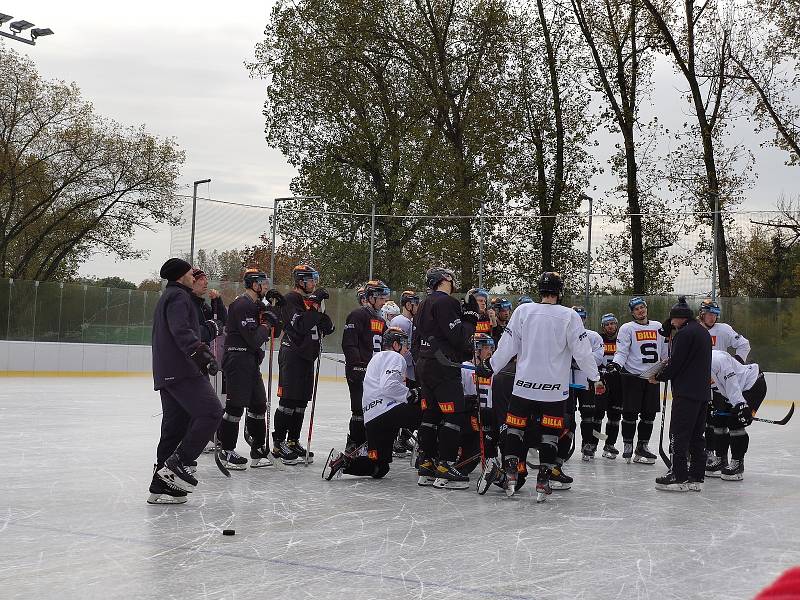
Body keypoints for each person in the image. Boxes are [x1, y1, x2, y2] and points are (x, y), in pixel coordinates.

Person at [477, 272, 604, 502]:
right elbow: (583, 353)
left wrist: (491, 365)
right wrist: (595, 377)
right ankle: (543, 480)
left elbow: (508, 345)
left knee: (515, 429)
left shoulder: (523, 311)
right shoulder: (570, 316)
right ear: (560, 292)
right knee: (549, 434)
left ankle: (512, 474)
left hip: (523, 386)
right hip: (554, 390)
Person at [148, 258, 223, 504]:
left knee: (175, 426)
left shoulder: (169, 296)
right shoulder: (179, 298)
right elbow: (181, 331)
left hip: (167, 371)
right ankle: (178, 463)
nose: (195, 276)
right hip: (182, 370)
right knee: (212, 412)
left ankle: (160, 483)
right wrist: (202, 355)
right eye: (192, 273)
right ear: (181, 276)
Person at [323, 327, 421, 480]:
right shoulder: (395, 357)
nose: (407, 348)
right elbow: (388, 386)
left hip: (372, 420)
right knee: (428, 412)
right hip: (388, 412)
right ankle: (429, 458)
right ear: (395, 345)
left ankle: (343, 462)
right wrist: (411, 395)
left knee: (380, 467)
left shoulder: (375, 359)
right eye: (404, 343)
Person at [413, 267, 480, 489]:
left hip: (425, 363)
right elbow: (460, 337)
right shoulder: (446, 302)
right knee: (454, 416)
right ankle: (446, 466)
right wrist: (471, 317)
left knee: (430, 415)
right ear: (445, 280)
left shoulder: (423, 303)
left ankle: (426, 465)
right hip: (443, 365)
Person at [216, 269, 283, 470]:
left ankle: (258, 449)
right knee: (235, 407)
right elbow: (254, 339)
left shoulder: (257, 305)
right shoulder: (242, 305)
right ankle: (226, 450)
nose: (266, 287)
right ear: (254, 284)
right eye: (263, 283)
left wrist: (276, 309)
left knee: (258, 405)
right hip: (237, 359)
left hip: (250, 361)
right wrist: (266, 323)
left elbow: (276, 331)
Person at [272, 265, 334, 463]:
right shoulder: (292, 299)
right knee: (288, 401)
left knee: (301, 402)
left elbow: (327, 326)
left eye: (315, 280)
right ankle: (278, 442)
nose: (314, 284)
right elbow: (300, 325)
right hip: (293, 355)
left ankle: (293, 440)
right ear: (300, 281)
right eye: (310, 280)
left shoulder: (310, 301)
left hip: (308, 356)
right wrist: (314, 306)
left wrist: (321, 313)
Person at [652, 296, 712, 491]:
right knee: (697, 435)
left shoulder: (683, 334)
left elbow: (676, 364)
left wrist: (658, 376)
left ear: (679, 318)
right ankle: (696, 476)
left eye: (672, 319)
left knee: (678, 434)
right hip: (702, 393)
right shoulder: (702, 332)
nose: (671, 323)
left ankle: (678, 475)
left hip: (686, 393)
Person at [608, 297, 666, 464]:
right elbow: (622, 351)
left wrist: (667, 366)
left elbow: (663, 350)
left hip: (652, 376)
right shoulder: (627, 328)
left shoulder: (658, 327)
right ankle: (628, 444)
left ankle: (642, 446)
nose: (640, 311)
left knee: (649, 415)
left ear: (646, 308)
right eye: (636, 309)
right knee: (630, 413)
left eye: (642, 307)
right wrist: (616, 365)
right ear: (632, 312)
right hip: (632, 375)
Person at [697, 299, 751, 471]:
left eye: (715, 315)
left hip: (722, 383)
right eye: (709, 314)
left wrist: (737, 363)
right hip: (702, 383)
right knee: (707, 421)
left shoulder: (724, 329)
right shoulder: (695, 330)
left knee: (720, 421)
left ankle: (720, 456)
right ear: (701, 314)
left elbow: (744, 344)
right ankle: (710, 453)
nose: (712, 318)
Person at [342, 280, 390, 450]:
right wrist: (356, 365)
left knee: (373, 409)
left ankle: (368, 441)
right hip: (359, 371)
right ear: (371, 297)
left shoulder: (381, 320)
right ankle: (354, 442)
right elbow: (349, 344)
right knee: (359, 409)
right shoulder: (357, 315)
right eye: (381, 298)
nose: (384, 302)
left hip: (374, 374)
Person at [707, 349, 767, 481]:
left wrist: (741, 405)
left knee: (735, 422)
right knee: (718, 420)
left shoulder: (717, 360)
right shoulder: (696, 361)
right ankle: (721, 459)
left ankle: (737, 462)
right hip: (730, 391)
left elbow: (732, 384)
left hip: (752, 384)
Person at [566, 306, 605, 465]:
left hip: (587, 380)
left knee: (588, 415)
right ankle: (564, 444)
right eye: (576, 317)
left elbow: (598, 358)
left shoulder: (593, 336)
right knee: (566, 414)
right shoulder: (563, 334)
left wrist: (577, 361)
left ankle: (588, 445)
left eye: (582, 317)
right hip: (566, 379)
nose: (579, 320)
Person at [458, 333, 496, 476]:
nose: (490, 352)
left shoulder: (492, 370)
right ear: (476, 350)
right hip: (471, 417)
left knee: (492, 450)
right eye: (486, 348)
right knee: (472, 454)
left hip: (488, 417)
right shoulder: (465, 368)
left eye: (491, 348)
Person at [389, 290, 421, 455]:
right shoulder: (401, 321)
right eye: (415, 302)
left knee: (413, 405)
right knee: (405, 404)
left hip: (411, 371)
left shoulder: (411, 321)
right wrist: (413, 360)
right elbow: (399, 349)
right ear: (408, 304)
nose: (417, 305)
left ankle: (402, 439)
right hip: (405, 373)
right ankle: (396, 440)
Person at [595, 313, 623, 459]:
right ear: (603, 326)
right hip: (601, 381)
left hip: (617, 382)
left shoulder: (622, 339)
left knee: (614, 416)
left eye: (612, 323)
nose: (610, 326)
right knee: (597, 415)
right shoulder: (598, 339)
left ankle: (609, 444)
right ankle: (593, 444)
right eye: (607, 324)